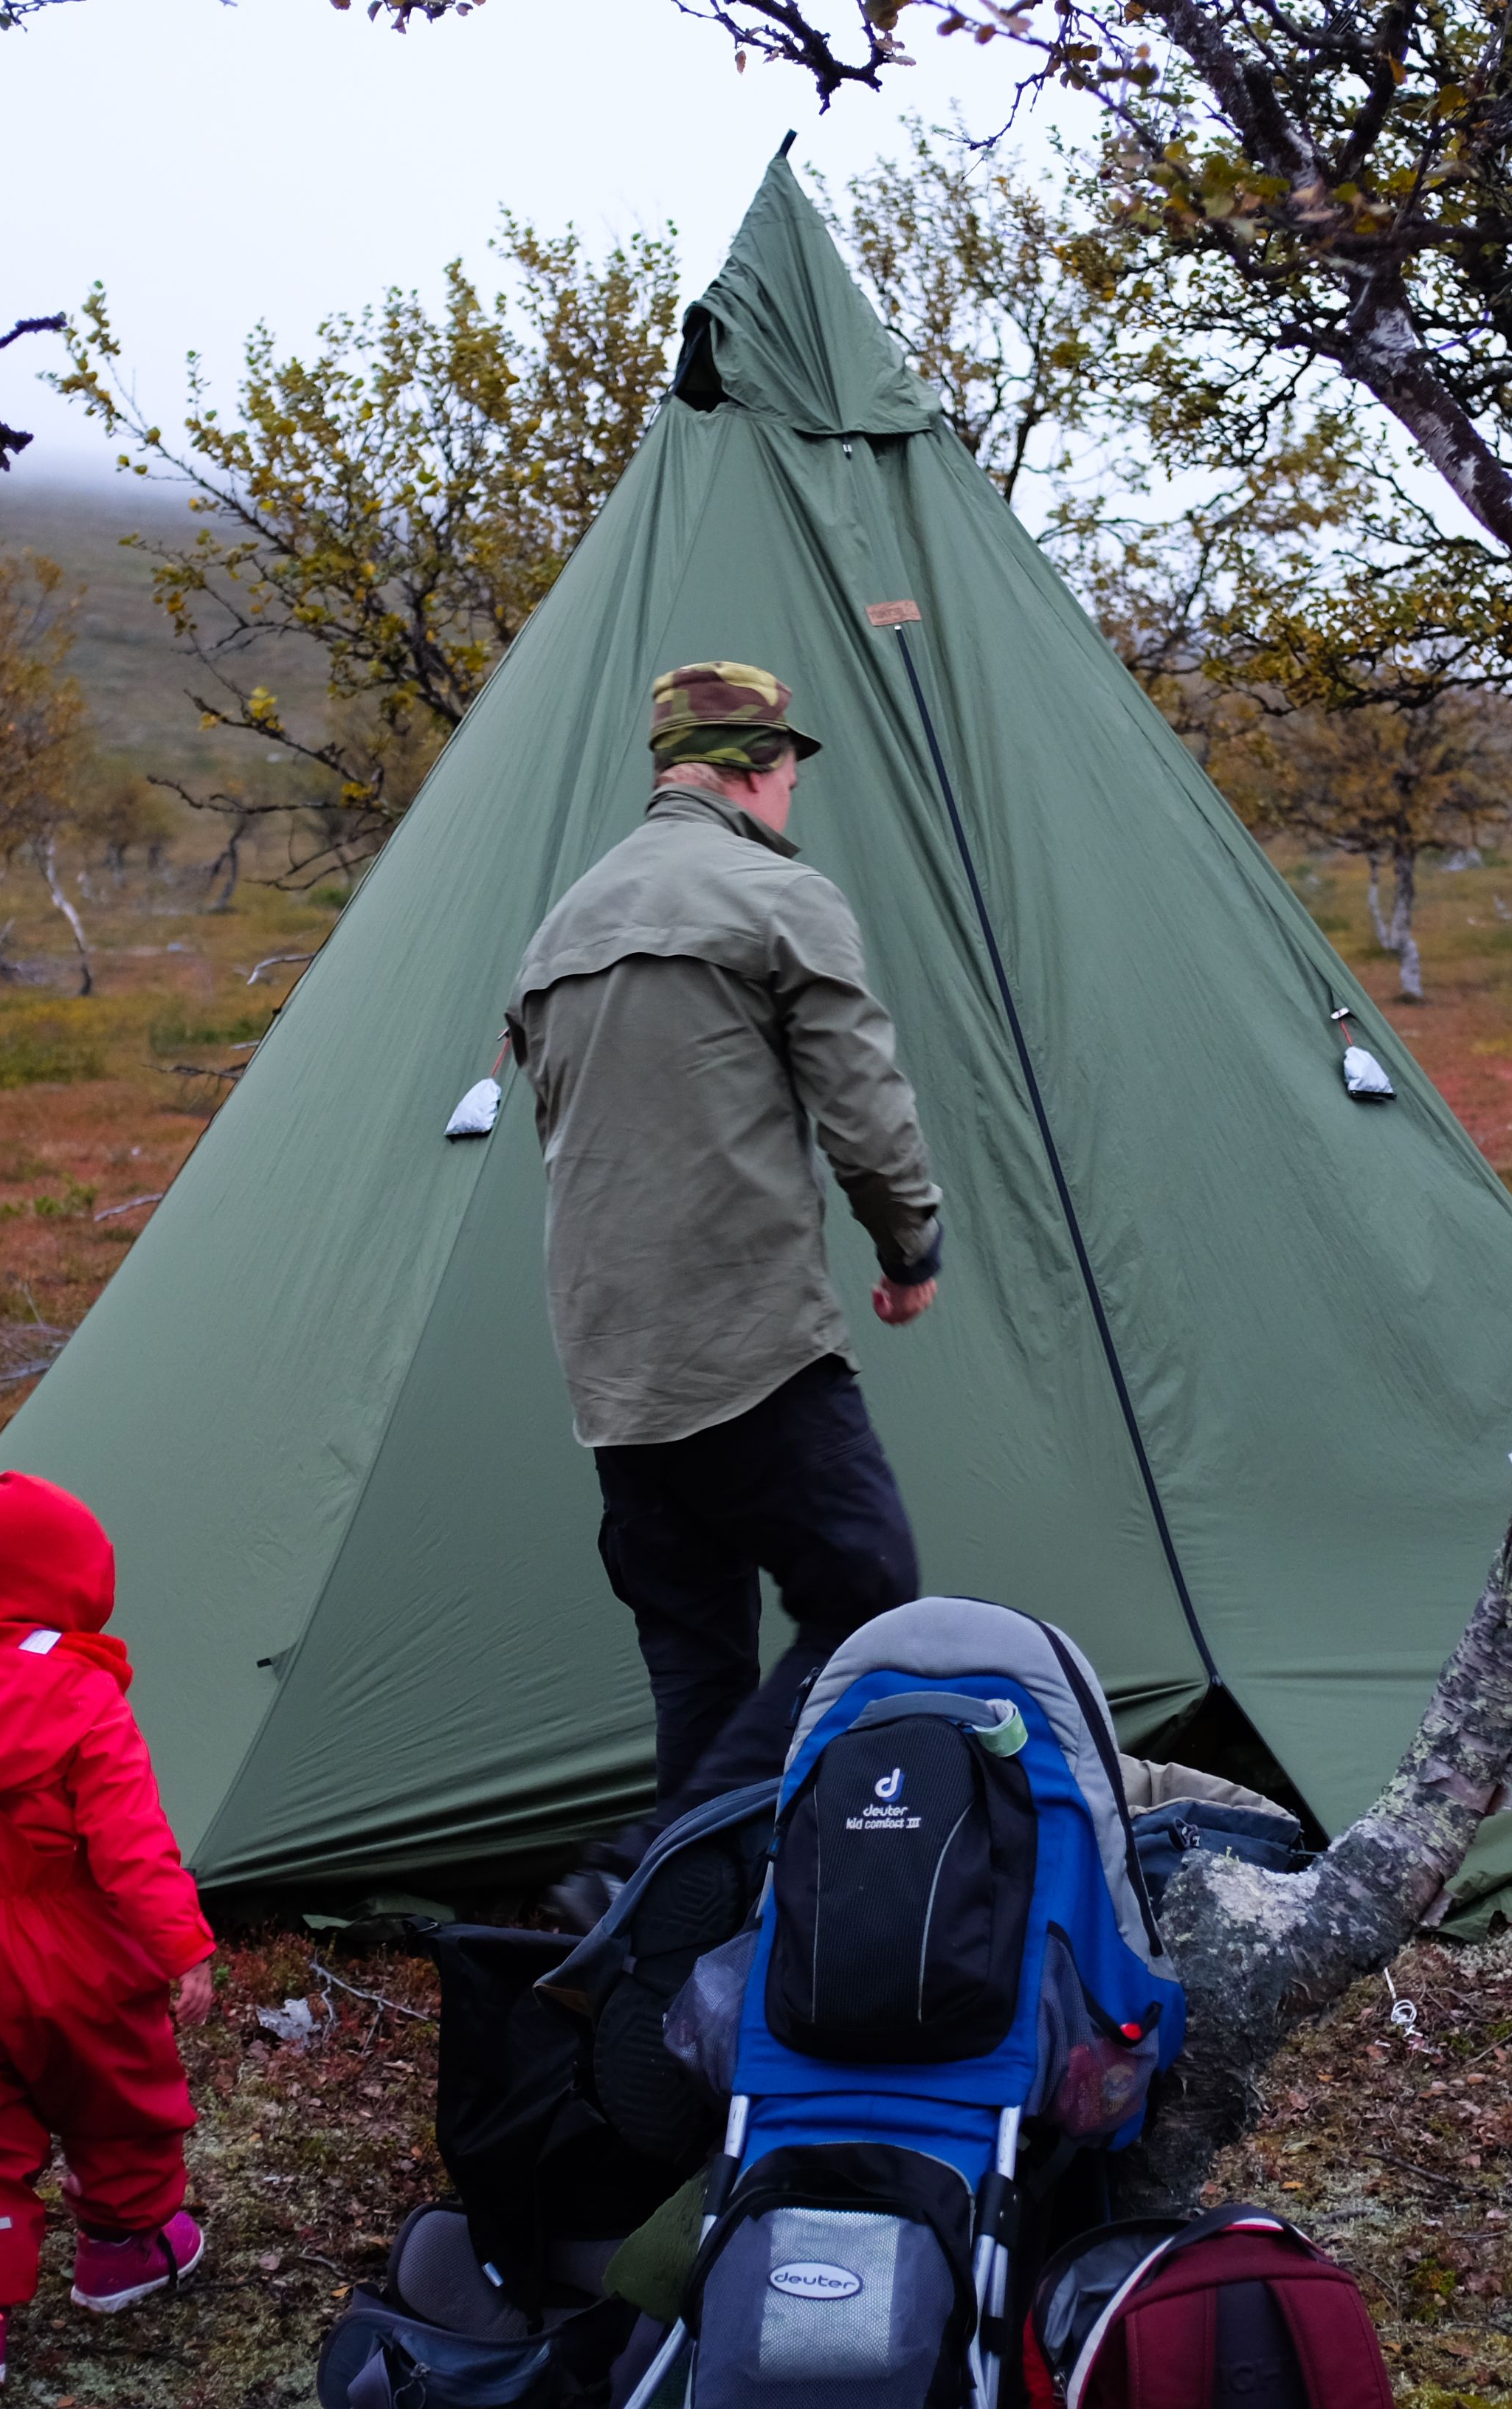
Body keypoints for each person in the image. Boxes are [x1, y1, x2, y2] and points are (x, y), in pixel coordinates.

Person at [512, 661, 945, 1931]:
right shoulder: (777, 894)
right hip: (751, 1342)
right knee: (867, 1602)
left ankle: (671, 1941)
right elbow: (865, 1112)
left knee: (697, 1661)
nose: (794, 789)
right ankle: (652, 1857)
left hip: (611, 1368)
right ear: (760, 766)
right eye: (792, 767)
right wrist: (909, 1249)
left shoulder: (563, 926)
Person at [0, 1472, 218, 2392]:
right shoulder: (83, 1694)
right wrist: (181, 1943)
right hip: (74, 1942)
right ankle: (126, 2247)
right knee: (121, 2098)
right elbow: (130, 1841)